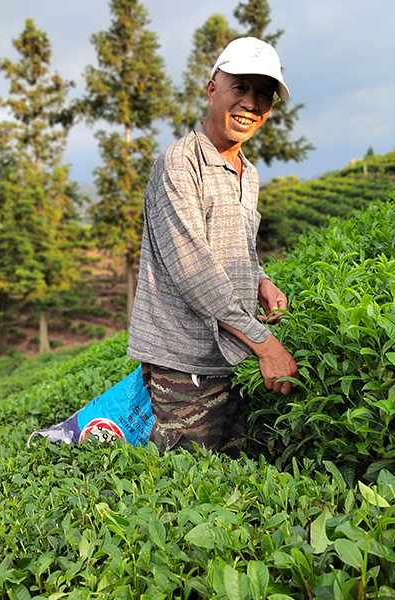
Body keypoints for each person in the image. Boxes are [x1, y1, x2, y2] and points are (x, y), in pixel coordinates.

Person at [128, 37, 300, 457]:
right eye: (239, 88)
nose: (249, 103)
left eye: (263, 95)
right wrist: (266, 344)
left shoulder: (249, 173)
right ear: (212, 89)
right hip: (184, 361)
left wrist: (262, 281)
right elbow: (194, 268)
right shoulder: (180, 163)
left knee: (233, 475)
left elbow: (237, 249)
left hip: (231, 353)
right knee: (189, 488)